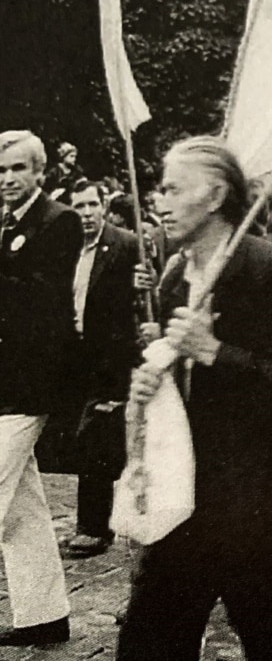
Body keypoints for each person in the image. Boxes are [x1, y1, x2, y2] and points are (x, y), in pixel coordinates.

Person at [119, 136, 272, 660]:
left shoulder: (270, 269)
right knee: (150, 638)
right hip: (184, 492)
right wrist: (148, 385)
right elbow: (174, 380)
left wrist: (214, 350)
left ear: (214, 196)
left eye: (170, 188)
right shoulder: (171, 279)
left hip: (257, 499)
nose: (157, 200)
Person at [0, 130, 76, 647]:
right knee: (23, 505)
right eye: (1, 171)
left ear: (39, 172)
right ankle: (44, 615)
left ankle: (43, 614)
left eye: (18, 170)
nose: (8, 180)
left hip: (31, 384)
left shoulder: (59, 221)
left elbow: (42, 305)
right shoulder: (4, 225)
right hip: (5, 383)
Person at [50, 180, 142, 558]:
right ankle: (89, 523)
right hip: (74, 354)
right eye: (79, 207)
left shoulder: (125, 244)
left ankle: (94, 528)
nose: (86, 214)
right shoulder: (65, 245)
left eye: (92, 206)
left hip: (111, 358)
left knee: (97, 440)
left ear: (103, 205)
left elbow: (139, 300)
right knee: (79, 438)